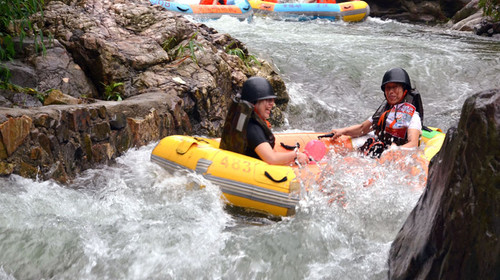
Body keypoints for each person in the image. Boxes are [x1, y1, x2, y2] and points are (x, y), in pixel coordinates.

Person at [329, 67, 423, 158]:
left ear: (405, 90)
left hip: (396, 152)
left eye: (395, 87)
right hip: (382, 148)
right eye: (388, 88)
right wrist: (343, 131)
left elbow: (413, 144)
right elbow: (362, 129)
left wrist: (396, 150)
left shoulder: (414, 117)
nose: (391, 92)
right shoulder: (383, 113)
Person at [220, 77, 310, 165]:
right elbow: (271, 159)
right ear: (254, 102)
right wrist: (296, 155)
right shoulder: (252, 128)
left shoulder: (246, 121)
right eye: (268, 100)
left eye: (273, 100)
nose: (272, 104)